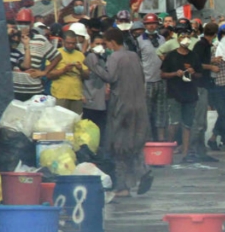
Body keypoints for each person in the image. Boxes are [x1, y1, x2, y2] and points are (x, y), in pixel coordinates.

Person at [86, 27, 153, 198]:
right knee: (134, 143)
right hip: (139, 105)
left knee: (119, 146)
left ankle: (123, 186)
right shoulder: (133, 56)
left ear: (111, 42)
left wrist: (93, 61)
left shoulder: (115, 57)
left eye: (106, 43)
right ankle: (141, 171)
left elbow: (110, 77)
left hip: (122, 107)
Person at [160, 32, 201, 158]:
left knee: (187, 124)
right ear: (178, 40)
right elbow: (162, 74)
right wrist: (174, 74)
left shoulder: (193, 55)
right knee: (174, 123)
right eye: (183, 37)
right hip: (174, 93)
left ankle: (185, 153)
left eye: (187, 37)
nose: (185, 40)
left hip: (190, 93)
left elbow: (200, 74)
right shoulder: (171, 56)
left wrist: (193, 73)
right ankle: (169, 153)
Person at [187, 22, 220, 163]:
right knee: (199, 121)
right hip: (199, 86)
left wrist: (212, 61)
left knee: (202, 121)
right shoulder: (201, 45)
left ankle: (200, 151)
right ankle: (193, 151)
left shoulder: (204, 46)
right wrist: (211, 67)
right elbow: (196, 64)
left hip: (203, 85)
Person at [10, 10, 58, 101]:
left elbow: (57, 57)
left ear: (31, 24)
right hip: (14, 89)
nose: (23, 25)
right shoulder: (12, 38)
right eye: (20, 23)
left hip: (34, 90)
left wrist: (44, 72)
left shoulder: (40, 40)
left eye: (26, 23)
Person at [47, 31, 89, 114]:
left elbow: (87, 75)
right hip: (60, 95)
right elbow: (48, 74)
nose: (71, 45)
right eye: (68, 43)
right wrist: (64, 70)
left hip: (76, 95)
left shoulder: (80, 55)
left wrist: (80, 69)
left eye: (73, 43)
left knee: (75, 123)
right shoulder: (55, 53)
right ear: (63, 42)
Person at [82, 35, 109, 141]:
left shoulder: (102, 58)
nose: (100, 46)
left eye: (102, 44)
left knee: (98, 128)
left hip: (100, 99)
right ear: (91, 45)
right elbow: (104, 75)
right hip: (91, 98)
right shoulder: (91, 57)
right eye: (97, 44)